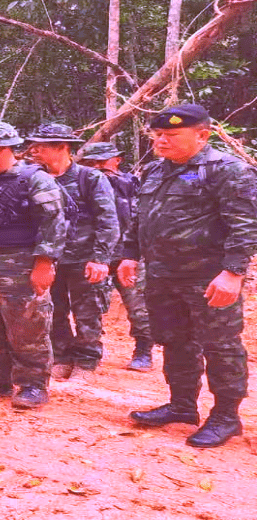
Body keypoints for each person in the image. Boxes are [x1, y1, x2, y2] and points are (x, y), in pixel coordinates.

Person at [120, 104, 257, 448]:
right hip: (163, 275)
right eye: (158, 135)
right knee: (173, 339)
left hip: (208, 277)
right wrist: (128, 255)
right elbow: (141, 218)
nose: (162, 141)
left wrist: (233, 272)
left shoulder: (227, 170)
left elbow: (245, 225)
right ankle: (182, 406)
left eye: (171, 135)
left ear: (202, 135)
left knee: (220, 345)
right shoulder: (154, 171)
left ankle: (226, 417)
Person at [0, 122, 67, 409]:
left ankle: (33, 384)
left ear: (1, 149)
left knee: (27, 327)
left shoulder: (35, 179)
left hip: (19, 262)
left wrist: (44, 263)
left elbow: (53, 222)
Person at [24, 123, 119, 380]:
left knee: (88, 310)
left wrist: (100, 258)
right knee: (52, 309)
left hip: (84, 257)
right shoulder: (32, 177)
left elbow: (108, 220)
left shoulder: (90, 178)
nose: (33, 150)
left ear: (63, 147)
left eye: (41, 146)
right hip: (47, 258)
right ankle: (62, 356)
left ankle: (86, 360)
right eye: (32, 145)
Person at [79, 141, 154, 371]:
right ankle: (87, 353)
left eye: (103, 162)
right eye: (91, 163)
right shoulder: (82, 184)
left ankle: (144, 351)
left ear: (117, 160)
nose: (98, 167)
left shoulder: (132, 183)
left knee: (138, 306)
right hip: (93, 254)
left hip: (127, 255)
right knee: (88, 306)